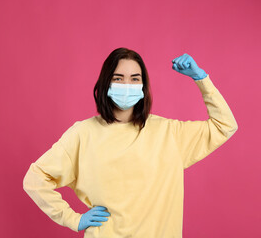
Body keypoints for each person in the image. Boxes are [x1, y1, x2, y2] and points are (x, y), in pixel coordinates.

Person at [23, 48, 238, 237]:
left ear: (143, 86)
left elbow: (224, 125)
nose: (127, 84)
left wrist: (201, 78)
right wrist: (73, 219)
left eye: (135, 79)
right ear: (106, 82)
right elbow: (36, 179)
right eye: (118, 78)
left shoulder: (169, 133)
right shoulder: (83, 133)